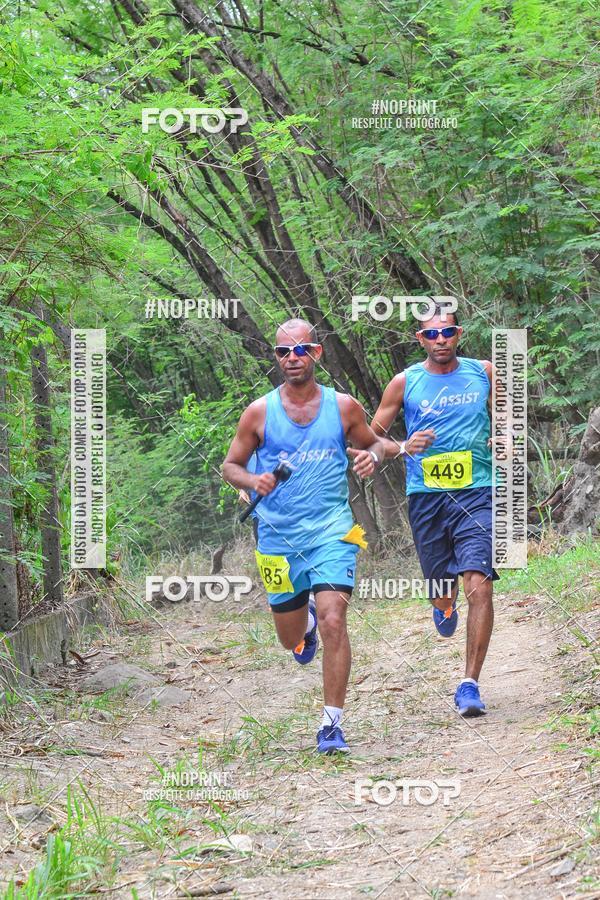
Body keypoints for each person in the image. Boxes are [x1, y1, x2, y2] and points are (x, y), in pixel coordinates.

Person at [223, 319, 384, 753]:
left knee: (335, 618)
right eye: (283, 352)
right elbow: (230, 466)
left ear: (316, 353)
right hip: (278, 540)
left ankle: (331, 725)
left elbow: (375, 444)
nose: (292, 358)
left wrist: (370, 457)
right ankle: (304, 624)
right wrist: (252, 480)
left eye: (301, 349)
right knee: (290, 638)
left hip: (333, 530)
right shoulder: (259, 413)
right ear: (276, 357)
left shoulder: (344, 406)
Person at [371, 306, 497, 717]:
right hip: (427, 497)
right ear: (420, 339)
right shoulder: (404, 382)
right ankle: (443, 604)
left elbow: (508, 421)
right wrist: (403, 446)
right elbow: (370, 440)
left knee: (479, 583)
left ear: (458, 334)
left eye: (447, 332)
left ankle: (469, 684)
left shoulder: (484, 372)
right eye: (431, 334)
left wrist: (505, 438)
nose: (440, 339)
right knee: (443, 589)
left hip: (478, 490)